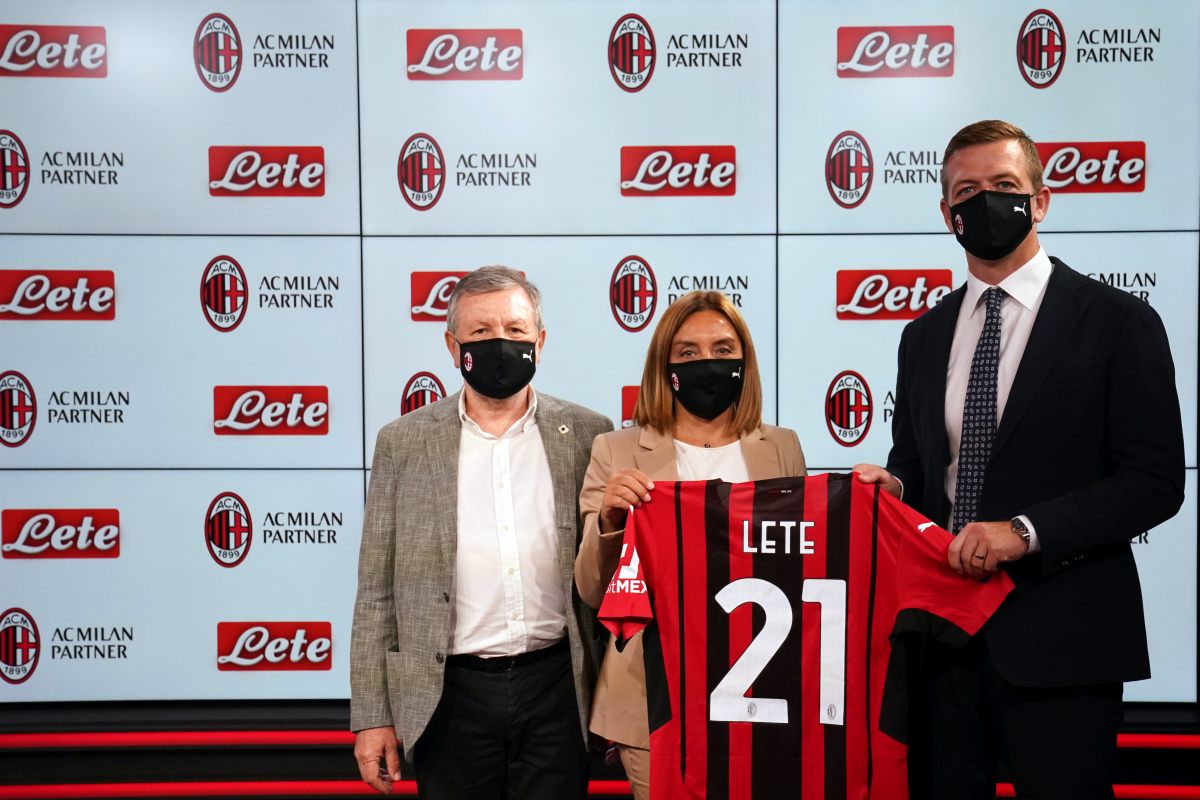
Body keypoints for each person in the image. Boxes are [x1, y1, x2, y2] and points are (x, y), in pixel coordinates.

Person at [854, 120, 1184, 799]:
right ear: (946, 214)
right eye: (966, 192)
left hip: (1065, 640)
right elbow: (918, 465)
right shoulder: (923, 336)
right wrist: (895, 486)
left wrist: (1025, 532)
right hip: (940, 643)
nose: (985, 202)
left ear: (1041, 200)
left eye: (1003, 185)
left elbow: (1154, 482)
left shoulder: (1119, 321)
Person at [349, 266, 613, 798]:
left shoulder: (590, 433)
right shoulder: (403, 442)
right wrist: (372, 716)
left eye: (515, 330)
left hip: (558, 687)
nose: (501, 343)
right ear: (453, 346)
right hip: (448, 695)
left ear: (540, 341)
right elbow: (377, 590)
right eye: (481, 331)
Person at [575, 290, 805, 799]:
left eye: (723, 350)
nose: (708, 362)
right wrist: (610, 520)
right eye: (688, 352)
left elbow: (800, 567)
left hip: (760, 687)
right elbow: (592, 590)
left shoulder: (781, 447)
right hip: (652, 695)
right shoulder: (616, 450)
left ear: (745, 360)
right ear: (665, 365)